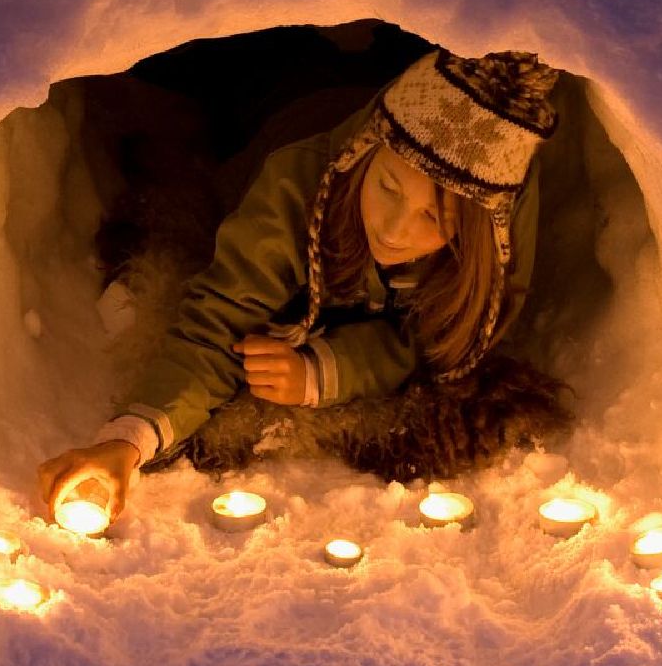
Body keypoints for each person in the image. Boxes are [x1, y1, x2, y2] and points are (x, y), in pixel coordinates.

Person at [36, 47, 563, 523]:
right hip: (280, 107)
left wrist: (325, 370)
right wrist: (128, 441)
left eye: (434, 218)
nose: (394, 229)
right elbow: (217, 322)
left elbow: (441, 344)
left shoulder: (492, 257)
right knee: (241, 83)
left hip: (366, 84)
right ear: (363, 153)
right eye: (386, 187)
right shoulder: (294, 186)